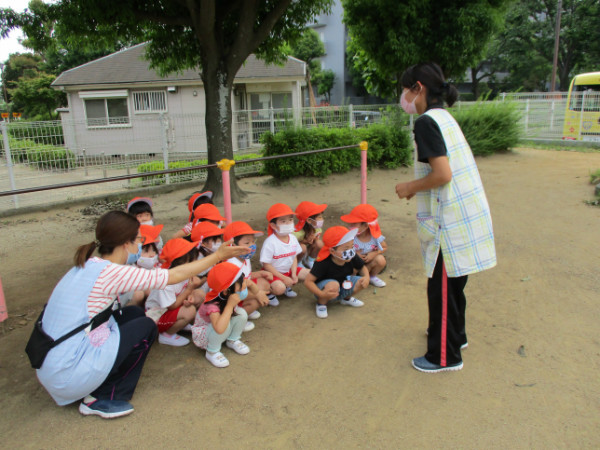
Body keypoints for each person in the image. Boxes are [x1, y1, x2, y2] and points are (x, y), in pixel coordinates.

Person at [34, 211, 247, 419]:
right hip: (68, 373)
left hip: (54, 362)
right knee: (145, 326)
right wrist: (218, 256)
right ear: (125, 243)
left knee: (134, 313)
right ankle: (101, 397)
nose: (141, 245)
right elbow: (173, 276)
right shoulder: (113, 272)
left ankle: (98, 381)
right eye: (139, 240)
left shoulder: (87, 265)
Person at [395, 62, 497, 373]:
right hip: (461, 215)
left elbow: (442, 173)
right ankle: (456, 337)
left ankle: (444, 356)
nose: (403, 97)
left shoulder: (426, 122)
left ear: (418, 88)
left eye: (404, 90)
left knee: (440, 289)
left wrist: (409, 186)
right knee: (453, 286)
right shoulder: (444, 118)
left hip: (448, 221)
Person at [145, 239, 204, 347]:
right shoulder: (166, 282)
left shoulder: (182, 272)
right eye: (192, 261)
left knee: (199, 294)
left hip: (171, 306)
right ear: (180, 262)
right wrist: (189, 290)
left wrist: (189, 296)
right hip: (156, 314)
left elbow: (183, 290)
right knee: (190, 311)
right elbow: (172, 306)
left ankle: (180, 324)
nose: (195, 264)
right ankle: (166, 335)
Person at [191, 262, 251, 368]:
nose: (244, 286)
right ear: (226, 291)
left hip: (220, 327)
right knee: (224, 324)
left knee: (241, 314)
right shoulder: (212, 304)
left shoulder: (229, 294)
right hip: (206, 333)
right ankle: (212, 352)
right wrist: (229, 306)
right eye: (241, 285)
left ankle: (232, 339)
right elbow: (218, 328)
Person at [304, 226, 370, 319]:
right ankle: (321, 304)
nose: (350, 251)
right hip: (325, 290)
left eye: (351, 246)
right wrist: (321, 294)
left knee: (361, 281)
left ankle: (346, 299)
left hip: (343, 285)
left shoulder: (351, 256)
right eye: (345, 249)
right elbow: (308, 281)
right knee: (333, 284)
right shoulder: (323, 263)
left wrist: (367, 277)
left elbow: (362, 267)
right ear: (332, 251)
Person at [223, 221, 271, 331]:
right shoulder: (231, 264)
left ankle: (244, 313)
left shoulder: (244, 258)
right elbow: (233, 292)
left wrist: (259, 273)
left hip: (240, 290)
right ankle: (236, 321)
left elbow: (246, 277)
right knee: (256, 300)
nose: (252, 245)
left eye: (253, 241)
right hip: (229, 299)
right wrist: (257, 294)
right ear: (233, 244)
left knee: (263, 284)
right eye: (247, 242)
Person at [260, 203, 309, 306]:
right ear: (273, 225)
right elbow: (266, 265)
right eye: (283, 221)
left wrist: (294, 274)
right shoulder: (270, 242)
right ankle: (270, 292)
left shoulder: (293, 238)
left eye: (290, 220)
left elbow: (294, 257)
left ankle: (286, 286)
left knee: (310, 274)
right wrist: (283, 277)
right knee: (279, 288)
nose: (288, 223)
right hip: (273, 273)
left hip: (288, 271)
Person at [340, 204, 388, 287]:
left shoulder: (375, 236)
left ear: (365, 226)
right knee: (351, 268)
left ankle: (371, 277)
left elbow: (384, 247)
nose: (350, 226)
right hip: (354, 266)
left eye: (354, 224)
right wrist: (355, 255)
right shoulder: (350, 236)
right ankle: (352, 279)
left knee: (381, 260)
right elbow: (342, 251)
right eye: (350, 223)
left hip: (368, 264)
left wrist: (374, 253)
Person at [293, 201, 327, 269]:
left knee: (319, 243)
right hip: (296, 254)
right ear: (309, 220)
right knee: (302, 247)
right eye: (319, 217)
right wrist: (303, 241)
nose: (322, 219)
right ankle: (298, 263)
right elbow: (290, 246)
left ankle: (310, 260)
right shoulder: (297, 233)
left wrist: (314, 238)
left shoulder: (317, 229)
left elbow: (316, 242)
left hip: (308, 251)